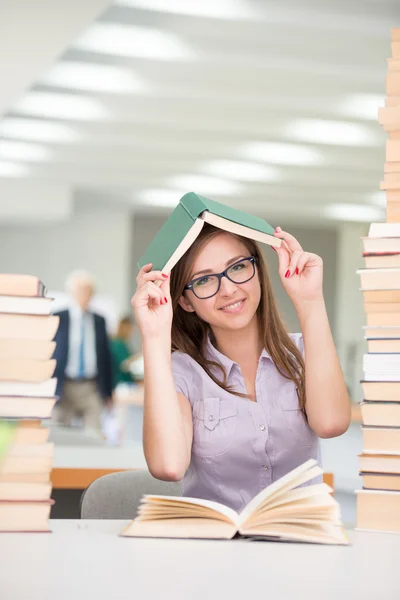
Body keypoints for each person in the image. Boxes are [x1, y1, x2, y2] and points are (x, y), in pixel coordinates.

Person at [131, 225, 351, 512]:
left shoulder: (304, 352)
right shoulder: (182, 371)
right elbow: (168, 466)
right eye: (204, 281)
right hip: (215, 548)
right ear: (185, 300)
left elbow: (332, 424)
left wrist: (310, 301)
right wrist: (154, 336)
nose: (228, 289)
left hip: (301, 544)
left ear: (257, 269)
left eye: (237, 267)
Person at [53, 270, 113, 432]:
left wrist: (108, 392)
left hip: (90, 386)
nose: (84, 295)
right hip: (64, 385)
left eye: (88, 291)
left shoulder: (99, 320)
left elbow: (106, 357)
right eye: (80, 291)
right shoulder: (58, 317)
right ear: (70, 293)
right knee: (59, 432)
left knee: (94, 433)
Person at [110, 316, 142, 388]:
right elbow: (124, 364)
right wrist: (139, 356)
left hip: (124, 381)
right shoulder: (118, 344)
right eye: (130, 329)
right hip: (121, 382)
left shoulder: (121, 343)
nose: (131, 332)